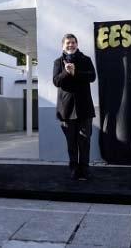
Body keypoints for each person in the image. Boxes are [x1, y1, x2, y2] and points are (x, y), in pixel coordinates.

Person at [53, 33, 96, 180]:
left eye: (73, 42)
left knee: (84, 141)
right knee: (71, 142)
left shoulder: (86, 59)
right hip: (66, 109)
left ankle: (85, 169)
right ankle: (74, 169)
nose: (70, 45)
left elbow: (92, 77)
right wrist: (66, 72)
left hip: (85, 108)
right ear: (63, 46)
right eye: (68, 43)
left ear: (77, 44)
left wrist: (75, 72)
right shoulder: (58, 62)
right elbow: (56, 81)